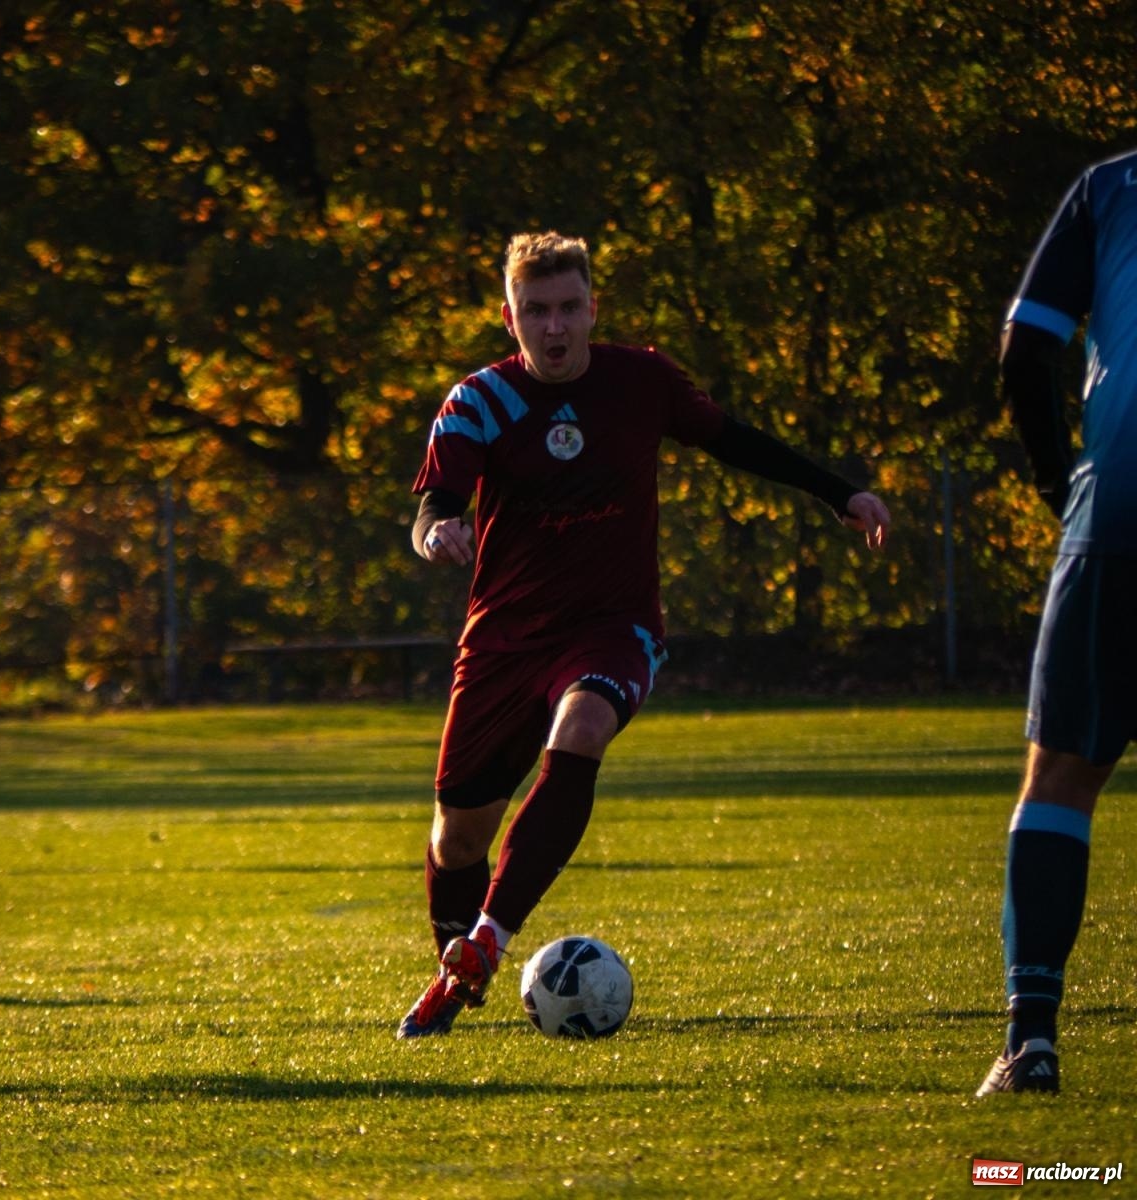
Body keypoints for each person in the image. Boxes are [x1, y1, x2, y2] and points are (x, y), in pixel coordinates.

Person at [397, 232, 891, 1038]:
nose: (553, 328)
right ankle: (454, 967)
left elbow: (733, 439)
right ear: (509, 317)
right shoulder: (479, 401)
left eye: (567, 308)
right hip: (504, 641)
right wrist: (437, 533)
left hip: (611, 627)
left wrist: (838, 494)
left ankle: (489, 939)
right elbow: (436, 502)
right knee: (457, 840)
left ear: (593, 308)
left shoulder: (642, 381)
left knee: (585, 724)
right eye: (535, 312)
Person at [975, 148, 1137, 1096]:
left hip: (1115, 520)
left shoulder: (1113, 186)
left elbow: (1024, 347)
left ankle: (1031, 1039)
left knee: (1062, 779)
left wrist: (1054, 481)